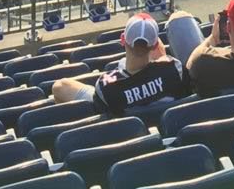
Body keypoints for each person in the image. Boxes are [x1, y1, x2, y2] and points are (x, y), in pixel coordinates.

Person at [52, 14, 189, 115]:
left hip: (118, 117)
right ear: (154, 45)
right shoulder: (174, 69)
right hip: (161, 129)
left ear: (123, 40)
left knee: (59, 86)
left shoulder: (105, 86)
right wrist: (161, 60)